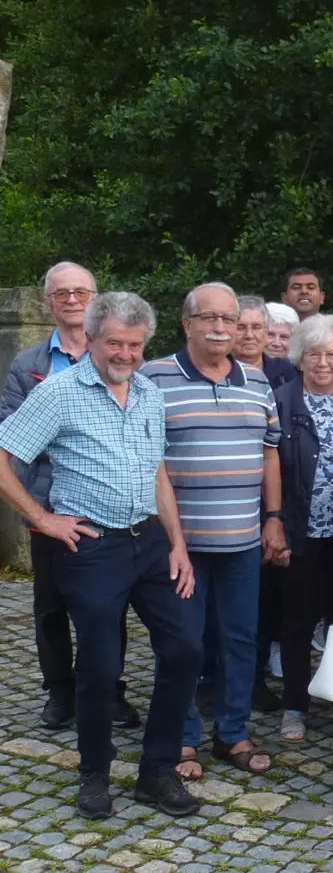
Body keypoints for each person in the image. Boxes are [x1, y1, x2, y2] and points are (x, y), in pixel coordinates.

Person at [0, 291, 201, 819]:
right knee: (100, 665)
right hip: (90, 546)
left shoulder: (150, 394)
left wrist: (177, 543)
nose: (126, 354)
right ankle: (95, 773)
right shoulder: (59, 393)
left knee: (184, 649)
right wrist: (42, 519)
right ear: (90, 339)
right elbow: (4, 457)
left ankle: (156, 772)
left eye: (135, 345)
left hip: (151, 543)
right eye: (115, 343)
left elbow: (158, 473)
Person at [140, 283, 283, 781]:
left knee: (241, 638)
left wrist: (274, 518)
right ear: (187, 323)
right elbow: (147, 459)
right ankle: (181, 738)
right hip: (179, 544)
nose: (221, 328)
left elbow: (270, 453)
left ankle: (231, 732)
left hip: (243, 541)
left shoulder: (257, 380)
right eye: (210, 319)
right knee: (182, 642)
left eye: (229, 318)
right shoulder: (153, 377)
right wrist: (171, 537)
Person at [0, 263, 139, 731]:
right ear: (47, 303)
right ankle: (59, 691)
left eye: (82, 291)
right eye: (62, 294)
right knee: (50, 605)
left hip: (110, 505)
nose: (73, 300)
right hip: (52, 503)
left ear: (97, 299)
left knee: (110, 604)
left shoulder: (121, 354)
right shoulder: (30, 365)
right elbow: (16, 440)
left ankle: (109, 691)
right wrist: (34, 511)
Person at [271, 317, 333, 739]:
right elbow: (270, 465)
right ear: (300, 357)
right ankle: (295, 704)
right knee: (296, 621)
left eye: (331, 354)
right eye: (313, 353)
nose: (323, 362)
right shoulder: (282, 399)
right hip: (300, 532)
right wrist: (273, 522)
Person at [234, 298, 298, 389]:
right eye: (241, 327)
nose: (249, 335)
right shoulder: (216, 370)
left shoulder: (285, 371)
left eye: (256, 327)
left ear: (265, 331)